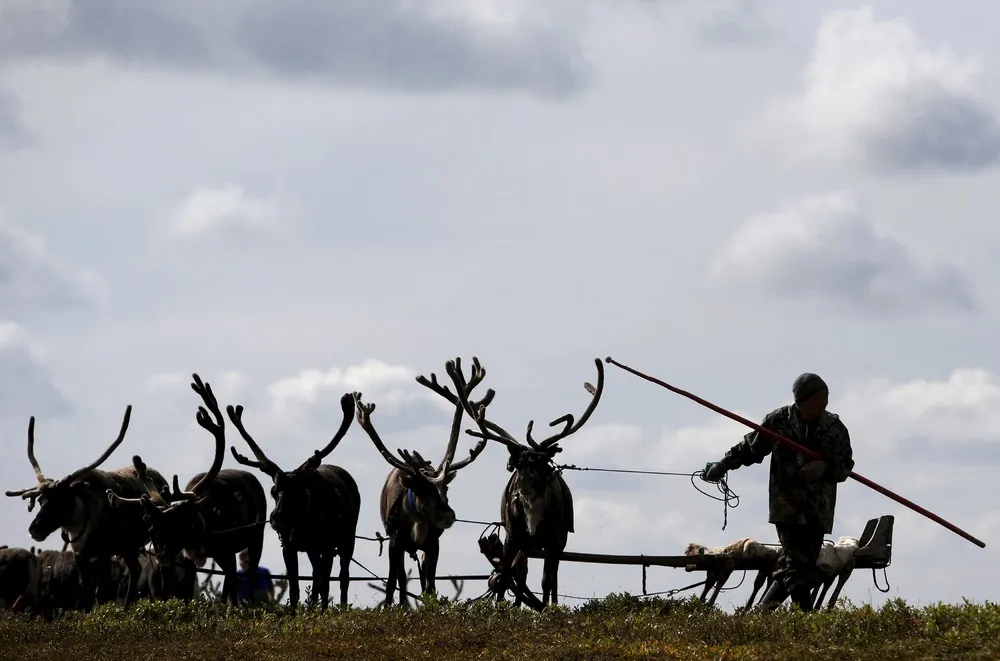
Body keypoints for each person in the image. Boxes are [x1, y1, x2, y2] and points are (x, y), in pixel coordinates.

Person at [702, 372, 854, 611]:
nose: (824, 403)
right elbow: (750, 447)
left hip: (818, 510)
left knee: (798, 565)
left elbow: (845, 465)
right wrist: (723, 465)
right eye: (819, 399)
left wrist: (824, 468)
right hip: (787, 508)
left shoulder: (834, 427)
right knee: (797, 564)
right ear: (803, 400)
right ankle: (806, 621)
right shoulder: (779, 421)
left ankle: (761, 614)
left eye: (826, 398)